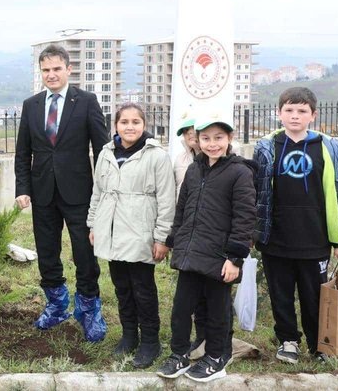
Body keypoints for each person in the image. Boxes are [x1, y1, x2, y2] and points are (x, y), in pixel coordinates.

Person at [14, 44, 110, 342]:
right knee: (47, 251)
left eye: (57, 69)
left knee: (84, 251)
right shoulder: (31, 105)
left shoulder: (86, 102)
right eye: (46, 70)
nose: (51, 74)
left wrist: (104, 190)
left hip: (80, 192)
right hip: (42, 192)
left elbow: (102, 149)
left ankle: (88, 307)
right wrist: (22, 189)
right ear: (40, 73)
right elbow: (22, 152)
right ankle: (56, 305)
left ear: (69, 69)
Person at [254, 87, 338, 364]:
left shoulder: (328, 147)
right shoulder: (266, 147)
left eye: (301, 111)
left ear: (313, 115)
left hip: (315, 239)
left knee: (314, 297)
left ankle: (319, 343)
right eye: (289, 110)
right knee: (281, 294)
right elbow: (258, 193)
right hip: (276, 238)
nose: (295, 116)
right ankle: (288, 340)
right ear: (279, 114)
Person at [157, 113, 256, 382]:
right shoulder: (194, 169)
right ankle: (179, 354)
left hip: (219, 257)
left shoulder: (239, 172)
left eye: (218, 138)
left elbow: (245, 218)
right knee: (181, 308)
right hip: (190, 253)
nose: (212, 144)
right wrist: (172, 240)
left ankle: (217, 357)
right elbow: (183, 210)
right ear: (197, 140)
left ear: (230, 139)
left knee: (217, 310)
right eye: (206, 138)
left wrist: (235, 258)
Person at [87, 103, 175, 367]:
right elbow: (98, 191)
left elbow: (166, 199)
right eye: (124, 122)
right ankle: (129, 335)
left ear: (144, 125)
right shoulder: (106, 153)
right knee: (121, 287)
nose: (130, 127)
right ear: (116, 125)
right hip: (112, 229)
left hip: (140, 230)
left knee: (143, 288)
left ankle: (150, 341)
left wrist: (161, 238)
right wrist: (94, 224)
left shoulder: (156, 155)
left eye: (136, 122)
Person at [173, 115, 200, 198]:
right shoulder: (180, 159)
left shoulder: (214, 158)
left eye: (193, 128)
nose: (189, 132)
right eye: (185, 130)